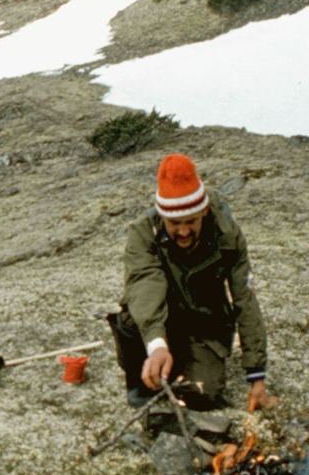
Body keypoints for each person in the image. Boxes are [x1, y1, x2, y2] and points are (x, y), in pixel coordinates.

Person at [108, 152, 274, 412]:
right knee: (131, 316)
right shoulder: (144, 232)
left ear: (204, 211)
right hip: (164, 314)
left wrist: (257, 376)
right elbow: (144, 285)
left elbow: (245, 299)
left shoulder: (228, 236)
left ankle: (180, 363)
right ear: (162, 217)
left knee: (203, 395)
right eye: (174, 223)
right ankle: (152, 365)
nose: (184, 231)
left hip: (205, 322)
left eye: (191, 221)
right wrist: (156, 344)